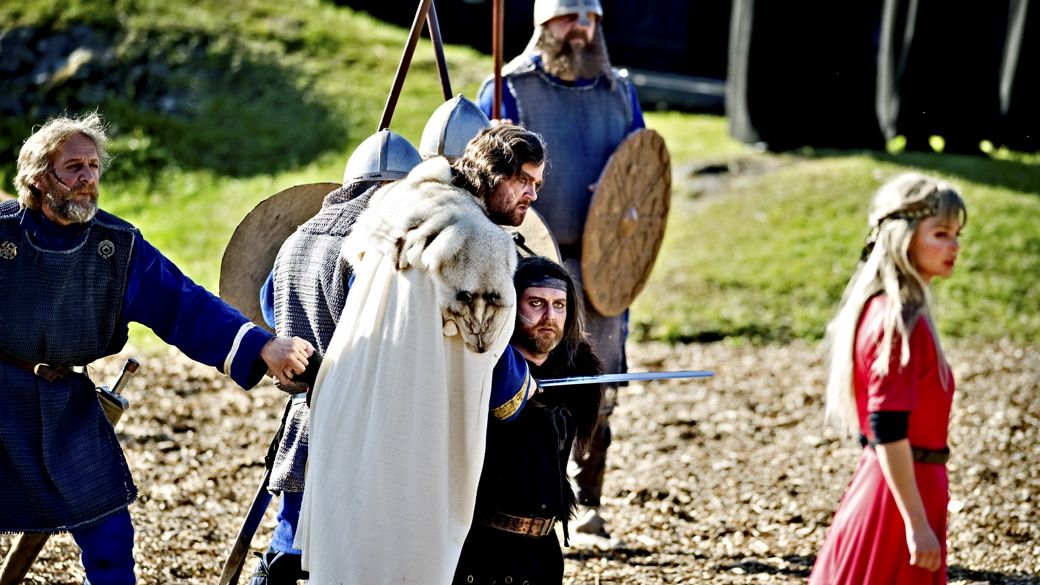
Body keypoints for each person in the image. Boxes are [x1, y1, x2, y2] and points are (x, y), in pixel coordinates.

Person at [0, 112, 313, 585]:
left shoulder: (116, 247)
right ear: (40, 178)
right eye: (73, 167)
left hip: (67, 405)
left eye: (93, 166)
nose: (87, 178)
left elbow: (183, 305)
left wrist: (262, 345)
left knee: (109, 534)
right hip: (2, 397)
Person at [294, 124, 546, 584]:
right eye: (523, 181)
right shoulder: (480, 242)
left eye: (537, 185)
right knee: (401, 560)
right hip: (407, 425)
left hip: (345, 404)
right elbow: (482, 345)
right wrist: (523, 390)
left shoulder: (400, 205)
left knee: (346, 553)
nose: (531, 195)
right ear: (494, 175)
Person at [476, 0, 646, 539]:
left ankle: (588, 499)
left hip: (602, 263)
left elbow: (643, 171)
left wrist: (623, 200)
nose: (584, 29)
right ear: (544, 21)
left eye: (592, 18)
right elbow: (481, 172)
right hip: (528, 261)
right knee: (523, 380)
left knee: (596, 378)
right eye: (572, 16)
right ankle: (516, 498)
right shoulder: (508, 89)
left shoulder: (619, 92)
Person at [248, 128, 423, 584]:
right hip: (362, 424)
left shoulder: (296, 240)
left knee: (292, 542)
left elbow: (270, 307)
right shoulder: (376, 246)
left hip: (304, 416)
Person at [810, 172, 967, 584]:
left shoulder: (898, 311)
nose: (954, 246)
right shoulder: (897, 320)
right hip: (896, 499)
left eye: (956, 235)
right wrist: (915, 523)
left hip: (908, 487)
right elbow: (888, 427)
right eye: (941, 234)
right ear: (904, 236)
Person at [453, 255, 603, 585]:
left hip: (544, 552)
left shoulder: (575, 377)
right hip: (481, 552)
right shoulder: (480, 371)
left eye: (559, 305)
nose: (550, 317)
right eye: (536, 303)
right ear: (510, 306)